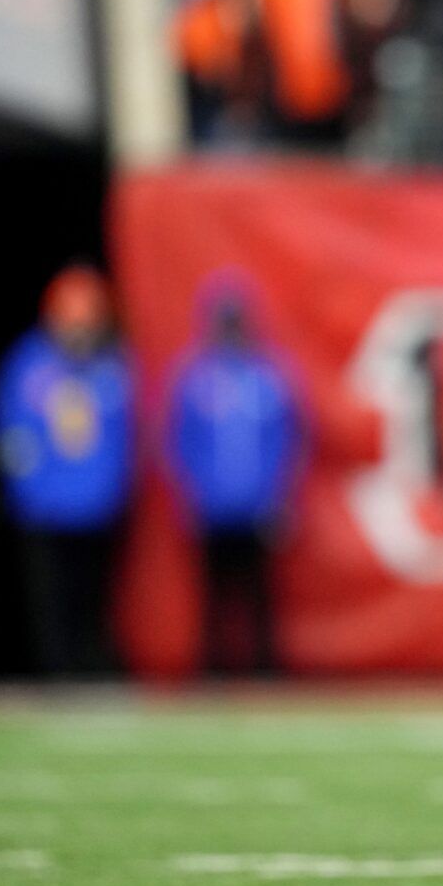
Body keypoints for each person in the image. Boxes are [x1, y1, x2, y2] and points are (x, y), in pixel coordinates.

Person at [0, 266, 134, 677]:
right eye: (72, 323)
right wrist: (26, 490)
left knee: (94, 595)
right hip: (46, 505)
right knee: (49, 597)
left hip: (97, 506)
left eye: (87, 324)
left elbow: (123, 439)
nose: (79, 334)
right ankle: (54, 669)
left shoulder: (112, 369)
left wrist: (113, 491)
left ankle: (90, 666)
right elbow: (12, 433)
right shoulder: (29, 365)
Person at [165, 285, 302, 677]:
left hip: (258, 506)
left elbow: (286, 440)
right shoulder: (195, 377)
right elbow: (181, 441)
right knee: (213, 594)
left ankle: (264, 668)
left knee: (260, 594)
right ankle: (212, 668)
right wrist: (191, 494)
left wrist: (279, 497)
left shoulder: (267, 375)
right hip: (211, 506)